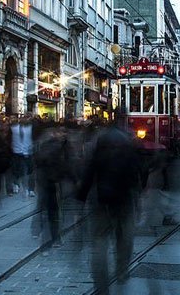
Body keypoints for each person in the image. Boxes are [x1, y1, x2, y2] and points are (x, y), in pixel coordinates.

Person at [77, 123, 142, 294]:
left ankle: (101, 285)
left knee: (99, 242)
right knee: (125, 238)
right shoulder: (128, 142)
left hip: (100, 199)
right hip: (124, 199)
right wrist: (137, 196)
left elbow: (89, 170)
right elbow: (138, 171)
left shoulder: (97, 142)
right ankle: (122, 272)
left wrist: (82, 196)